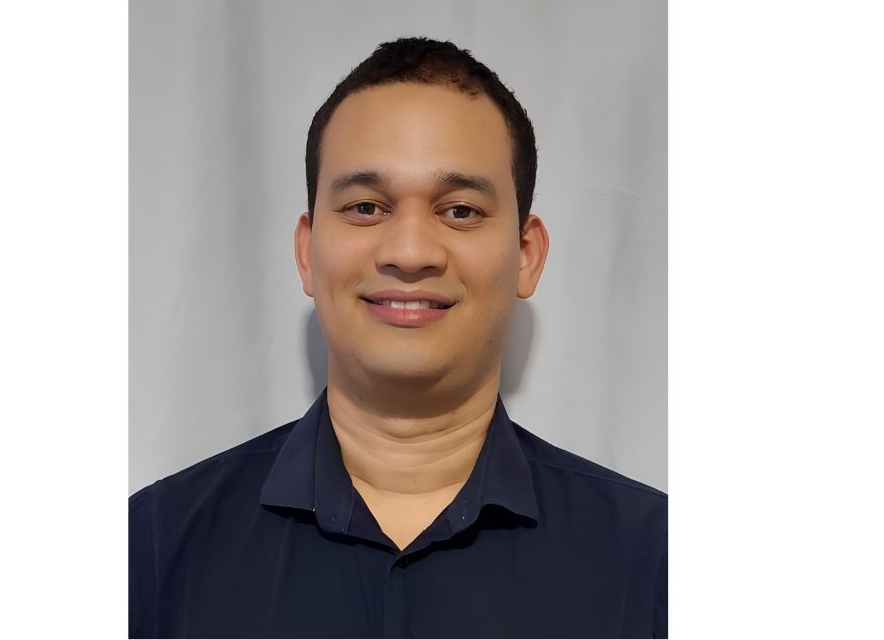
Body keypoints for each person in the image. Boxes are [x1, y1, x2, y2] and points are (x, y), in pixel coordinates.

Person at [129, 37, 667, 639]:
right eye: (366, 208)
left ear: (526, 255)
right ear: (307, 252)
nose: (410, 253)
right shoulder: (152, 550)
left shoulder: (653, 563)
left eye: (460, 211)